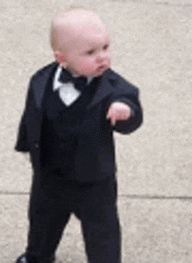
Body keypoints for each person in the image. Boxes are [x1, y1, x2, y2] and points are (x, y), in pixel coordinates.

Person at [15, 9, 143, 263]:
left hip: (93, 181)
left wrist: (126, 112)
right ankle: (38, 256)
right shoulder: (40, 80)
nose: (102, 57)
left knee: (101, 231)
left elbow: (132, 108)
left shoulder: (114, 88)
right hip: (50, 176)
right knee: (42, 220)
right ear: (61, 58)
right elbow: (31, 114)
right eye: (90, 52)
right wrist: (25, 143)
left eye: (105, 47)